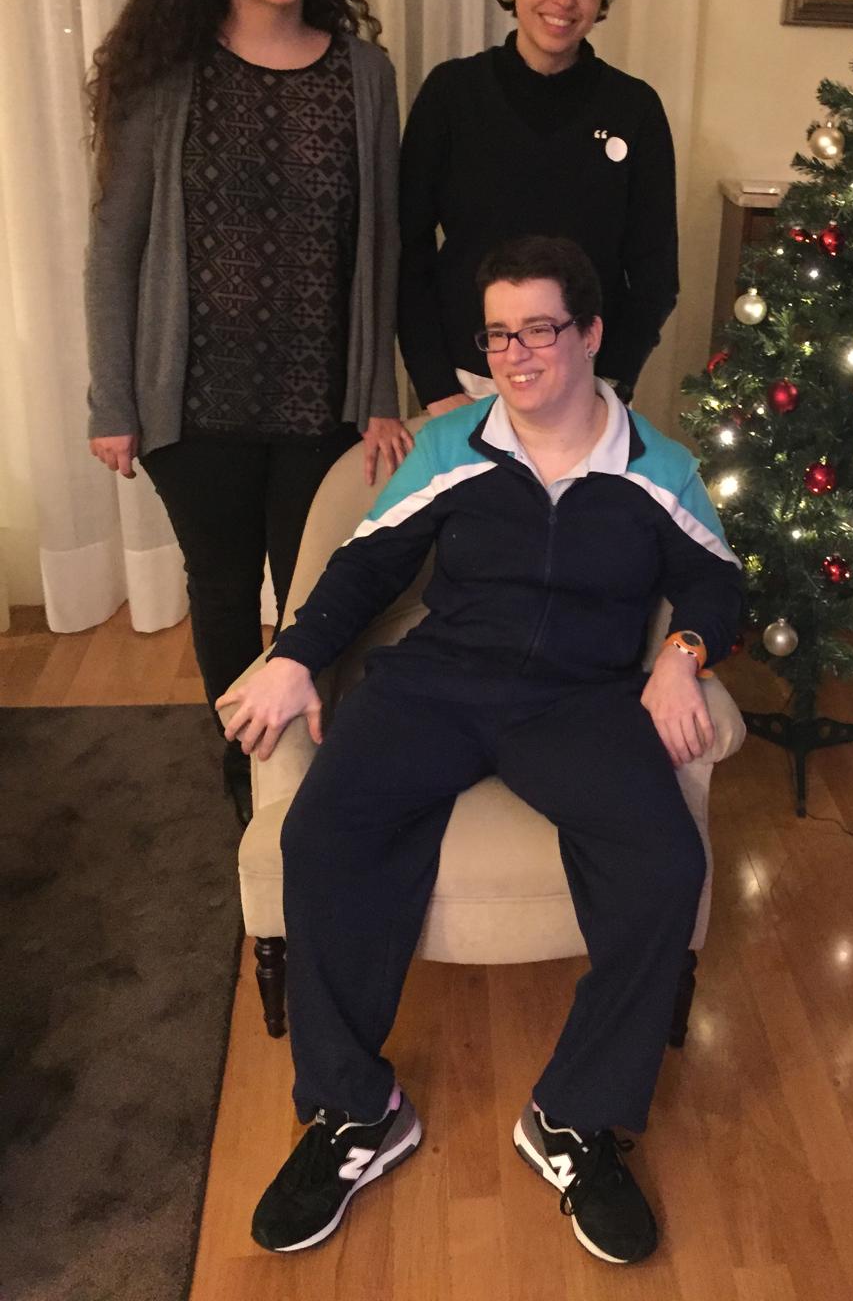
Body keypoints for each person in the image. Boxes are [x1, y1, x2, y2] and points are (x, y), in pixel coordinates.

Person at [220, 236, 742, 1264]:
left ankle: (575, 1120)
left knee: (664, 861)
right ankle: (356, 1113)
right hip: (441, 682)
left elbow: (718, 581)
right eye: (500, 335)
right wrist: (296, 654)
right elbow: (365, 565)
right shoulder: (452, 447)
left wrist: (683, 654)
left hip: (581, 700)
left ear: (591, 334)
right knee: (322, 832)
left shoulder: (656, 465)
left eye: (539, 330)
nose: (516, 355)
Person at [84, 0, 410, 825]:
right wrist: (113, 400)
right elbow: (115, 248)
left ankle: (312, 762)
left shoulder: (365, 75)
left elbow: (381, 246)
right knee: (224, 594)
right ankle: (245, 775)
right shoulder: (165, 77)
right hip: (195, 406)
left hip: (320, 404)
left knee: (314, 595)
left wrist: (379, 396)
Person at [398, 0, 678, 418]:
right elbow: (408, 253)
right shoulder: (451, 95)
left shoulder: (635, 110)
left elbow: (655, 275)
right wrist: (434, 386)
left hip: (586, 390)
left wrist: (611, 382)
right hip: (465, 385)